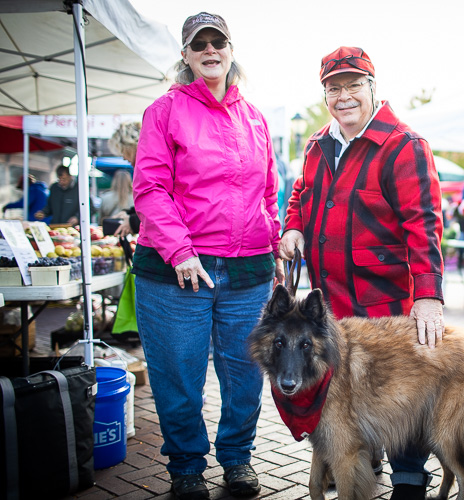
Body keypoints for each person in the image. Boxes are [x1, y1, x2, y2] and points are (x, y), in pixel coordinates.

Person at [279, 46, 444, 500]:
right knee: (344, 391)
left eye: (354, 85)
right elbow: (301, 192)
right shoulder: (317, 144)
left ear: (373, 87)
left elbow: (424, 222)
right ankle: (356, 466)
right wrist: (292, 225)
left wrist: (428, 294)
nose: (344, 95)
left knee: (400, 394)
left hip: (385, 303)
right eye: (334, 88)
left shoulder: (404, 144)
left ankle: (410, 480)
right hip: (331, 304)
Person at [132, 12, 283, 500]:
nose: (211, 50)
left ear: (232, 50)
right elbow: (151, 189)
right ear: (187, 55)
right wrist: (180, 251)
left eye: (219, 42)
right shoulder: (165, 110)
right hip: (176, 271)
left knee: (245, 375)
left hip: (248, 270)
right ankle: (187, 467)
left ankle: (237, 460)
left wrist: (275, 239)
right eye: (200, 44)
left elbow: (267, 191)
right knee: (179, 373)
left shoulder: (255, 117)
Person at [107, 121, 142, 237]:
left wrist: (133, 221)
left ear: (130, 146)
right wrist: (130, 213)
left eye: (122, 151)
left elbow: (163, 205)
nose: (122, 157)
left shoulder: (150, 166)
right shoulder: (143, 166)